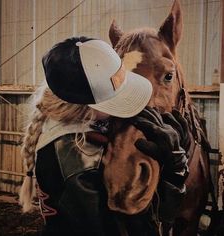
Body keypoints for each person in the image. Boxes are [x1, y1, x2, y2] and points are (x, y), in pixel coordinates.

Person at [19, 36, 189, 235]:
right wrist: (175, 173)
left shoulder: (61, 126)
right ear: (85, 106)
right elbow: (132, 229)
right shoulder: (78, 158)